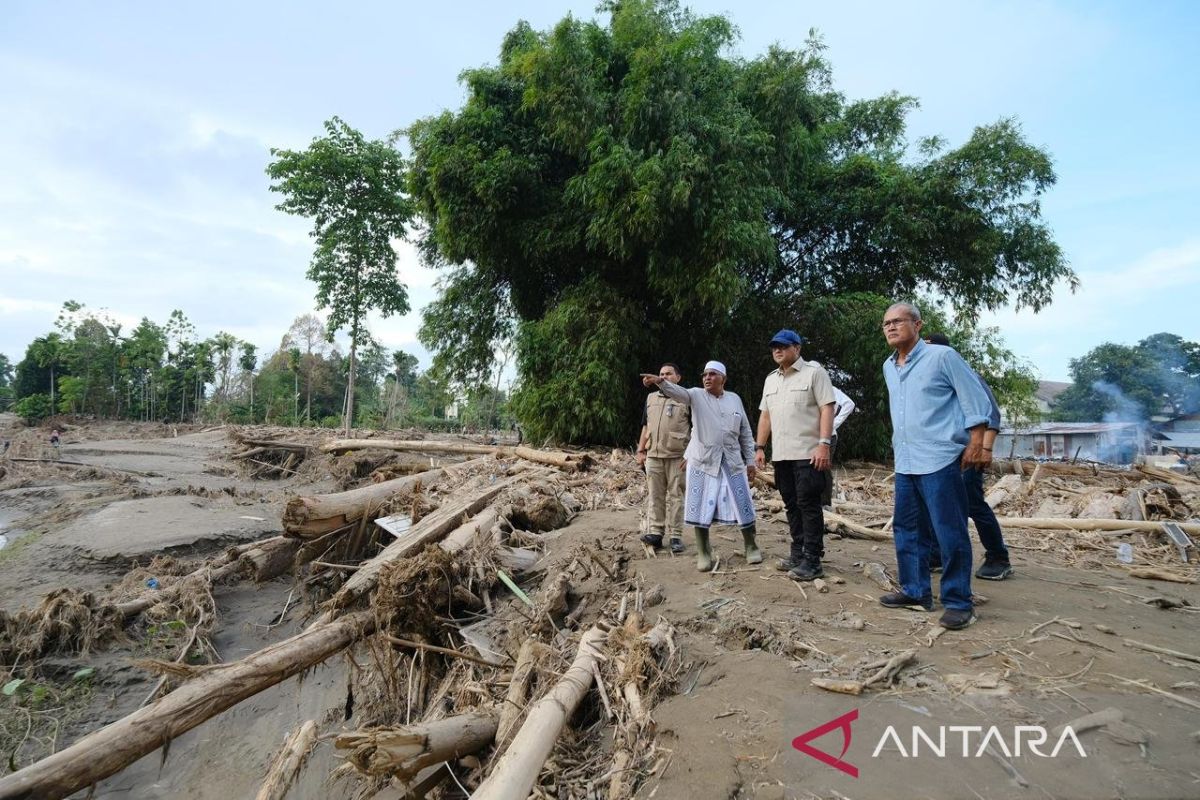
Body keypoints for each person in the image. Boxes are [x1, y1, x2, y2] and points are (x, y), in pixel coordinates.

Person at [880, 303, 992, 630]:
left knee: (949, 530)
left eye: (898, 321)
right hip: (906, 460)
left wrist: (977, 443)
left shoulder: (943, 357)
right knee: (907, 529)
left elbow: (976, 400)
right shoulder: (889, 366)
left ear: (917, 325)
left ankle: (958, 601)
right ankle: (916, 591)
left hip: (940, 458)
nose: (891, 327)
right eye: (886, 323)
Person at [642, 361, 760, 571]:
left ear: (723, 378)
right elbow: (678, 392)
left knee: (743, 503)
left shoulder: (734, 399)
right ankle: (704, 552)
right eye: (705, 374)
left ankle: (751, 546)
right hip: (702, 461)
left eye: (712, 374)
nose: (707, 378)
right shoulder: (696, 395)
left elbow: (745, 431)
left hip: (732, 460)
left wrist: (750, 461)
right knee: (699, 507)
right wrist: (661, 382)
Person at [922, 332, 1013, 580]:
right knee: (937, 503)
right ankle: (938, 555)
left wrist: (985, 449)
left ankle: (998, 556)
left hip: (969, 452)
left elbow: (990, 413)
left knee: (972, 503)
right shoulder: (929, 376)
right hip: (941, 454)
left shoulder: (964, 373)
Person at [755, 330, 836, 581]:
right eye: (774, 347)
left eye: (783, 346)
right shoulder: (771, 379)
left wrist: (824, 444)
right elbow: (765, 416)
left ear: (797, 348)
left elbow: (827, 408)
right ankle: (798, 552)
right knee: (791, 504)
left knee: (808, 504)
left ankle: (812, 559)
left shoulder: (814, 372)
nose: (777, 350)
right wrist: (760, 447)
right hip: (782, 454)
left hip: (808, 452)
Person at [637, 362, 692, 554]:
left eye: (668, 374)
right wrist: (641, 450)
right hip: (653, 455)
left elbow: (697, 429)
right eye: (661, 374)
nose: (664, 377)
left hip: (678, 457)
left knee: (677, 497)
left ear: (678, 378)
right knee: (655, 495)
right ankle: (656, 533)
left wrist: (691, 455)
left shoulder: (687, 399)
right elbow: (645, 426)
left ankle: (676, 536)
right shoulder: (651, 398)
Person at [806, 360, 856, 508]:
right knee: (807, 468)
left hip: (828, 436)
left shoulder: (830, 389)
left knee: (824, 468)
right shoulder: (806, 390)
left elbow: (849, 404)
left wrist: (832, 424)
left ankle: (825, 503)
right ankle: (810, 501)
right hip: (809, 436)